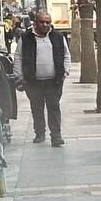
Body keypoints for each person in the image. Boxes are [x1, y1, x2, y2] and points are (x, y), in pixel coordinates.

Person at [15, 11, 71, 147]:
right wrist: (20, 76)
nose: (45, 24)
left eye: (47, 22)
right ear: (35, 22)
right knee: (37, 108)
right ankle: (39, 133)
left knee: (54, 107)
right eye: (41, 22)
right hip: (33, 81)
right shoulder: (26, 38)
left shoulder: (58, 37)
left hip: (54, 81)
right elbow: (18, 57)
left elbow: (66, 54)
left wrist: (65, 71)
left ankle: (56, 136)